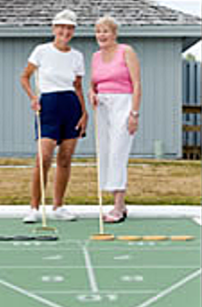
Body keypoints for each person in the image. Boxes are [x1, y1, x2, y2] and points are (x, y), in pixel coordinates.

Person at [20, 10, 88, 223]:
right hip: (48, 106)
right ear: (54, 28)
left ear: (73, 31)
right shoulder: (41, 51)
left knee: (65, 159)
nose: (65, 31)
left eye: (69, 28)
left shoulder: (77, 56)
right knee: (44, 158)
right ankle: (33, 208)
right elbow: (24, 77)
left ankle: (58, 207)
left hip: (71, 107)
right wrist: (33, 97)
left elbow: (78, 87)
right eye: (61, 27)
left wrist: (84, 113)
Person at [89, 16, 141, 223]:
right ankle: (120, 203)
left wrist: (134, 113)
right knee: (106, 153)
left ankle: (118, 207)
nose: (101, 35)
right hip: (102, 106)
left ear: (114, 34)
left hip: (123, 104)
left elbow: (137, 84)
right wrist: (92, 93)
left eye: (106, 31)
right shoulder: (95, 56)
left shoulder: (126, 51)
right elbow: (94, 83)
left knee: (118, 153)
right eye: (98, 31)